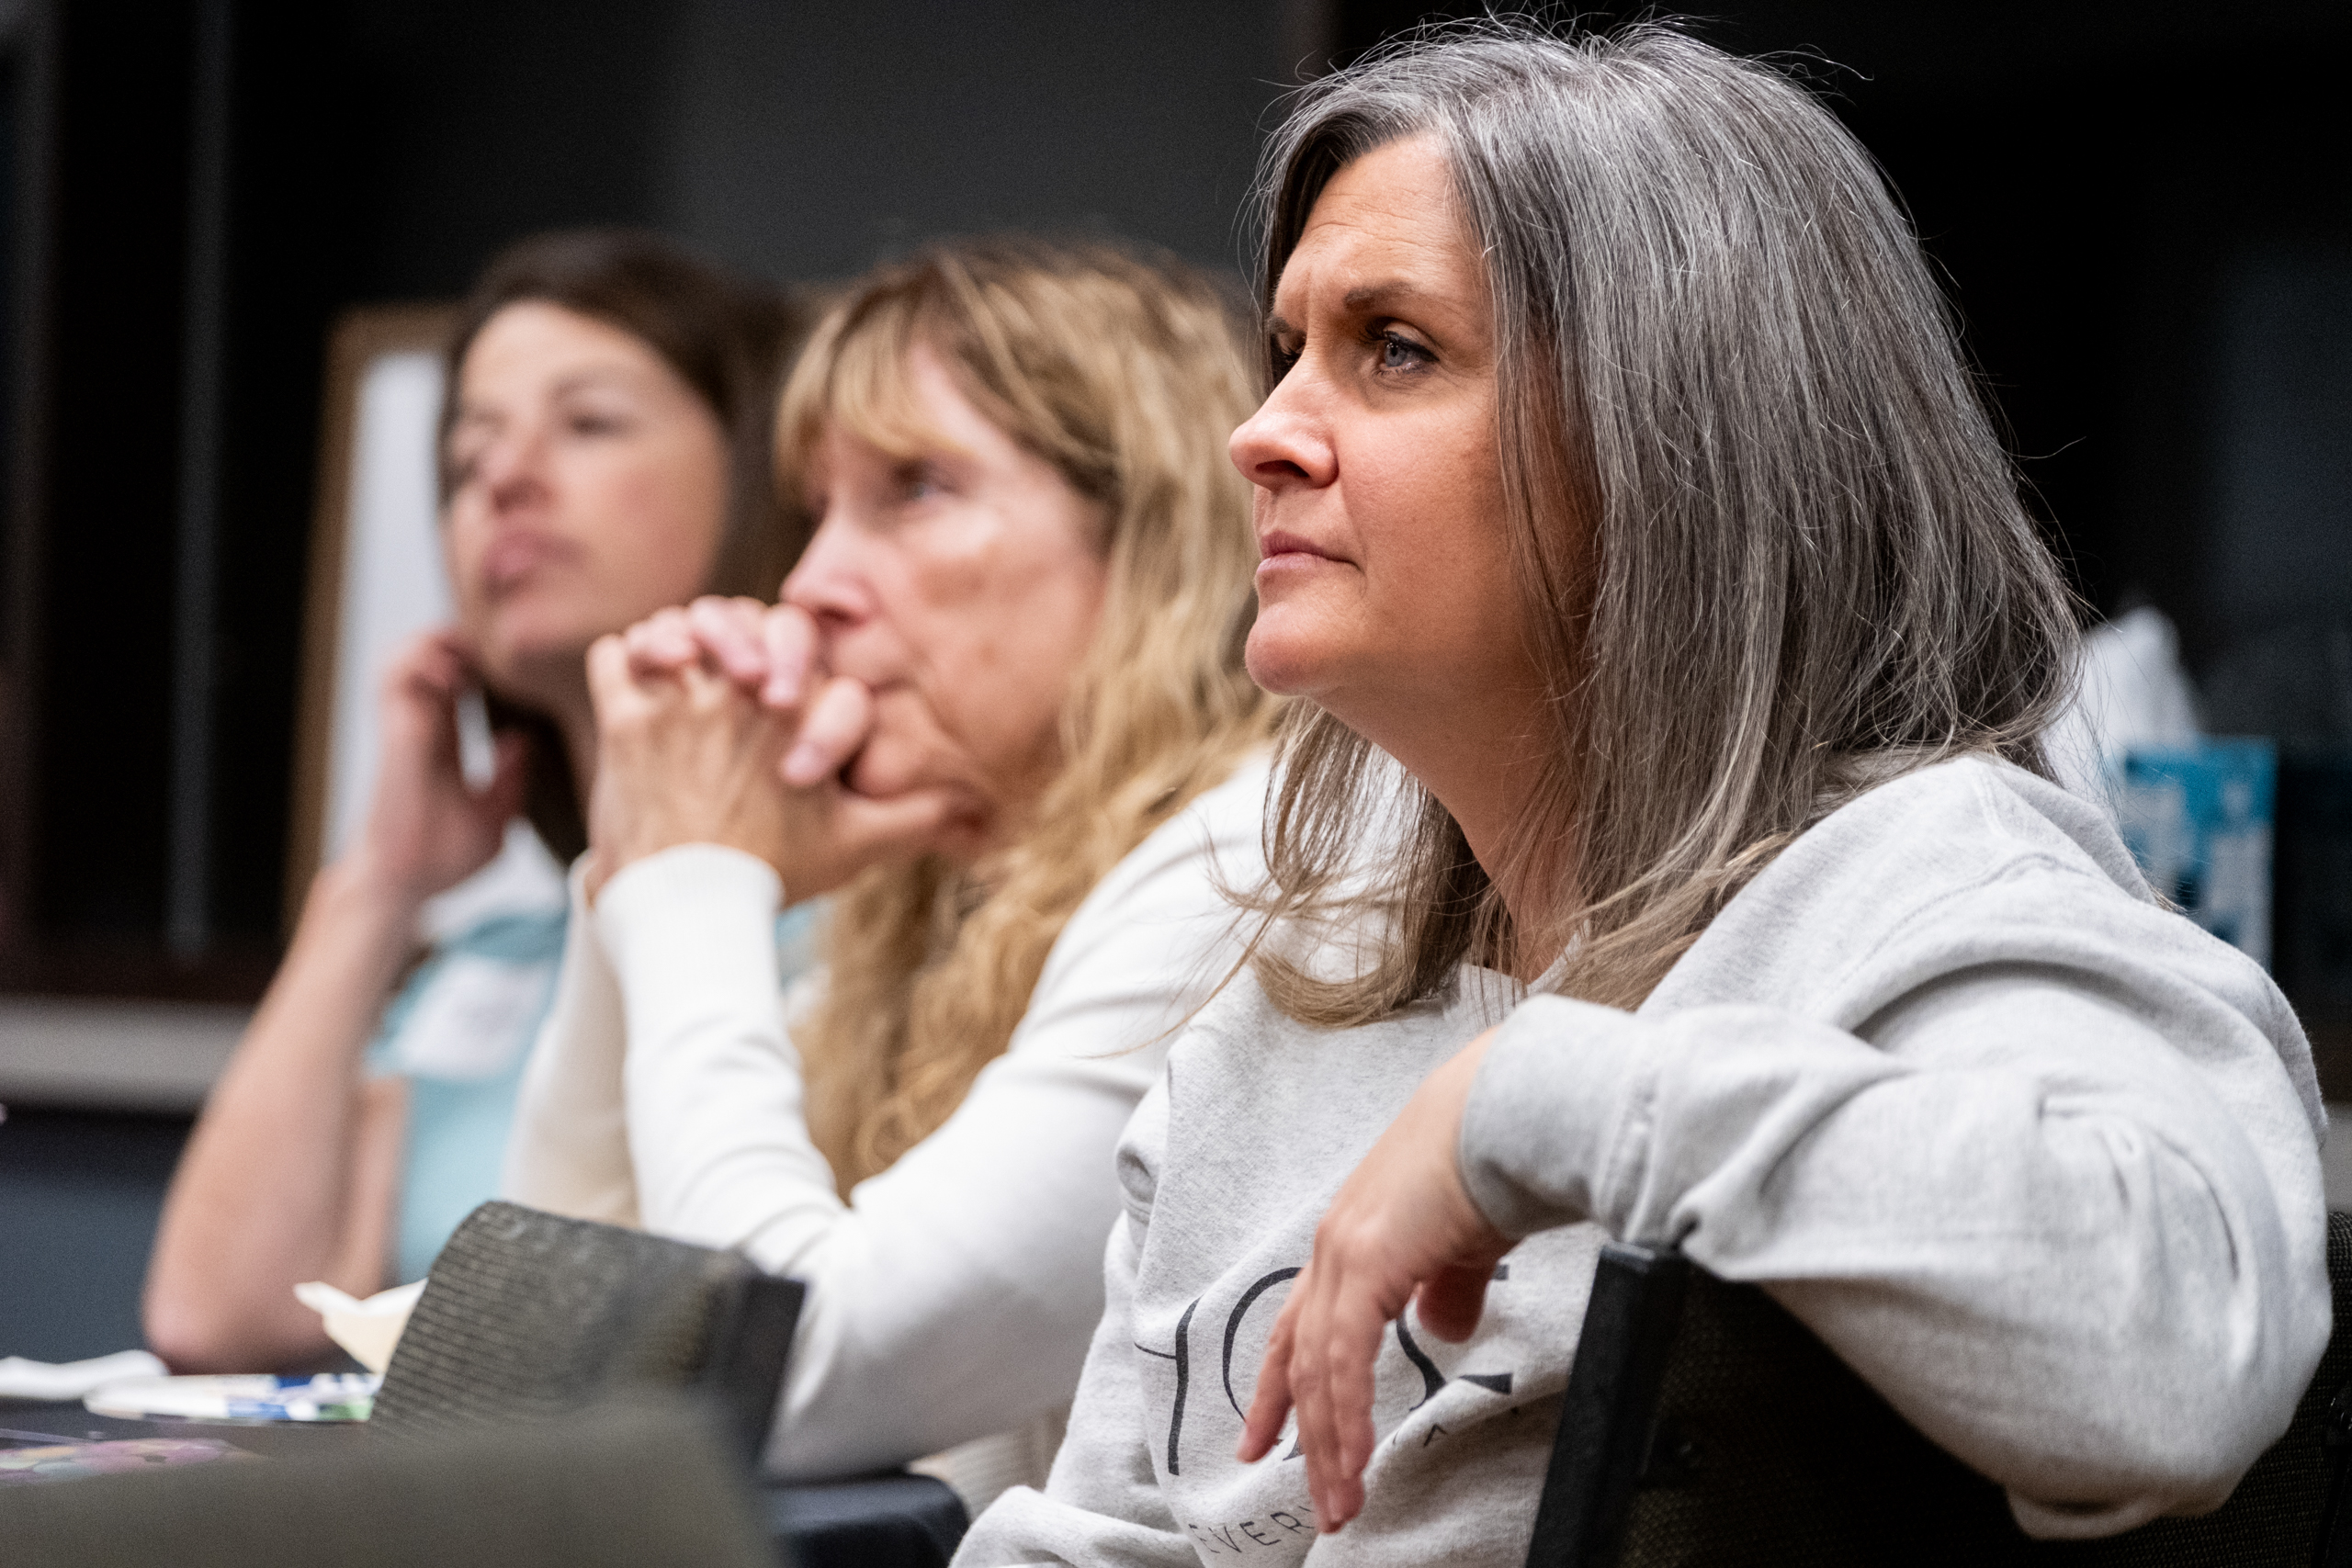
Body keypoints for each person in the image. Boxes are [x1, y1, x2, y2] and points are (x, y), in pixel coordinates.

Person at [956, 24, 2328, 1566]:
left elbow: (2183, 1365)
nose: (1260, 432)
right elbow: (1114, 1534)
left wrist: (1536, 1102)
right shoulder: (1286, 1015)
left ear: (1670, 442)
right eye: (1290, 351)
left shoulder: (1926, 885)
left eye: (1394, 348)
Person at [501, 238, 1278, 1498]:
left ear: (1153, 539)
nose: (811, 584)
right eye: (818, 511)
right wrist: (633, 879)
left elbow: (786, 1377)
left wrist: (694, 877)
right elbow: (550, 1337)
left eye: (914, 488)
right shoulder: (938, 899)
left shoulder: (1243, 867)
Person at [145, 231, 803, 1372]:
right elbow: (225, 1319)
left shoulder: (879, 924)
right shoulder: (500, 960)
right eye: (466, 457)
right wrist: (378, 886)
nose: (504, 480)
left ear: (768, 480)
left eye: (588, 424)